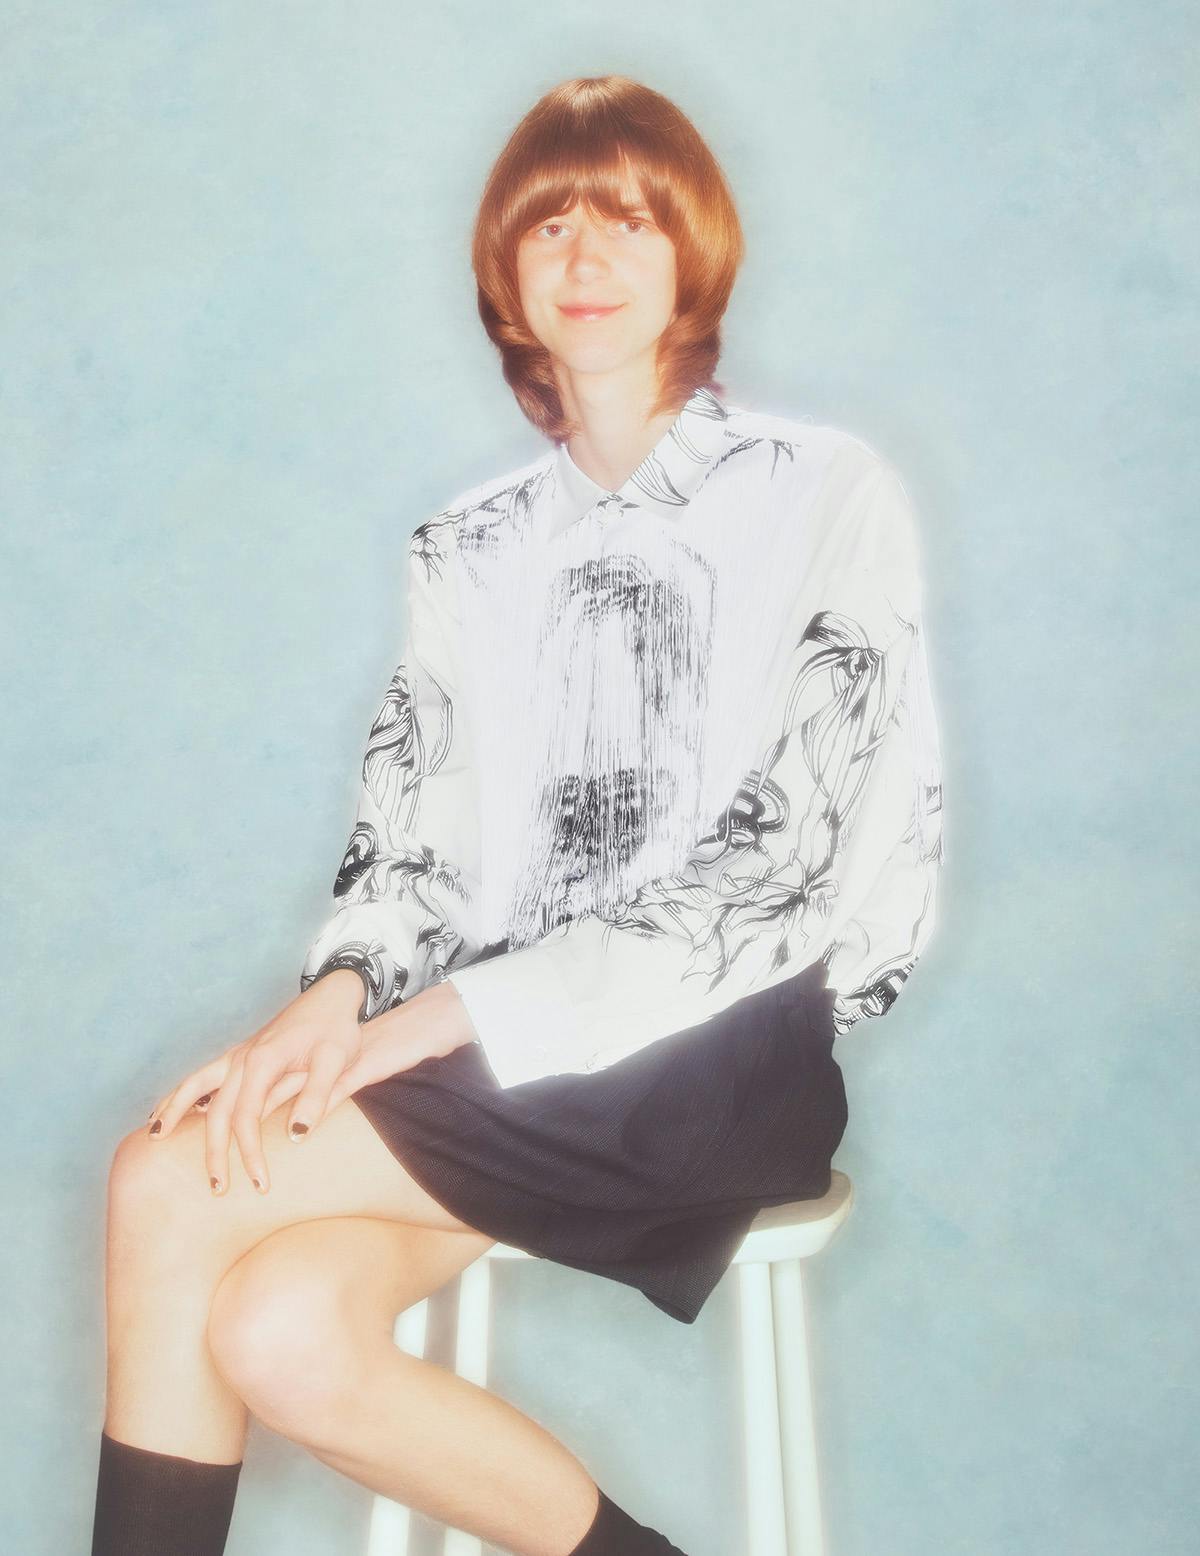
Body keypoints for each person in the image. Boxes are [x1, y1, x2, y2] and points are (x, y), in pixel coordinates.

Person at [90, 74, 945, 1556]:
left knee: (167, 1184)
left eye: (625, 216)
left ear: (692, 252)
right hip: (508, 1065)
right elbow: (412, 825)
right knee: (284, 1327)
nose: (587, 254)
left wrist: (437, 1023)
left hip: (722, 1047)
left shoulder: (825, 491)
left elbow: (787, 865)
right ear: (509, 278)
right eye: (548, 222)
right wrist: (338, 996)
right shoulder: (468, 549)